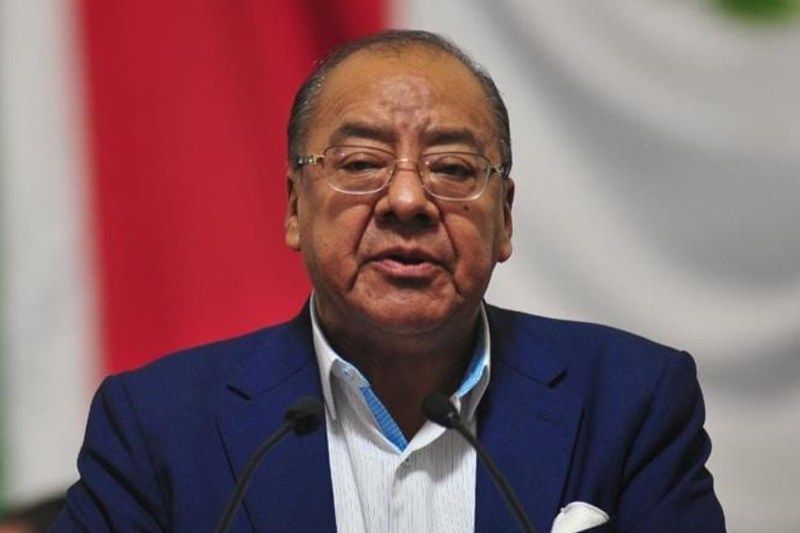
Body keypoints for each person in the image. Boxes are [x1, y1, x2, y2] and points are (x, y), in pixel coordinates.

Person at [53, 30, 725, 532]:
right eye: (361, 163)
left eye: (453, 168)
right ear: (294, 208)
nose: (407, 200)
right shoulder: (158, 425)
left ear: (504, 218)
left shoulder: (631, 401)